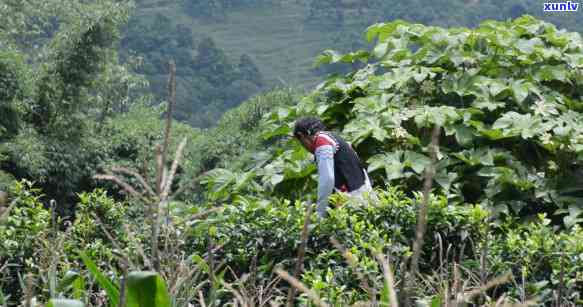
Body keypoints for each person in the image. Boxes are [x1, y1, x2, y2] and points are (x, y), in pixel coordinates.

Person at [293, 117, 373, 217]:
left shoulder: (321, 142)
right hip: (364, 193)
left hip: (356, 199)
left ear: (302, 136)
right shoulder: (331, 136)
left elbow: (327, 180)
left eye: (301, 143)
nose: (304, 147)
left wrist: (320, 213)